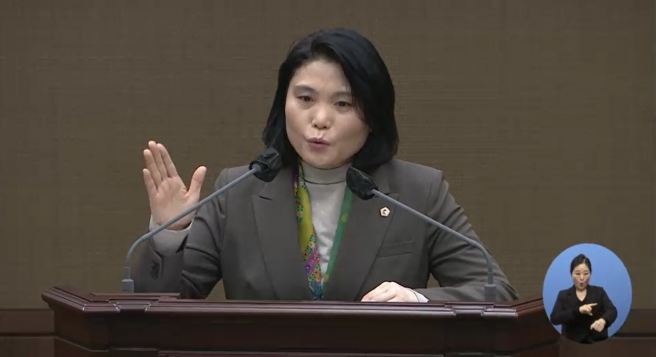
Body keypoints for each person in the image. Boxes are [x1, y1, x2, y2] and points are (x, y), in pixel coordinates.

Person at [131, 28, 518, 303]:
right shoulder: (239, 190)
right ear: (283, 104)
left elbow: (495, 292)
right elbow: (159, 310)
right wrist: (169, 235)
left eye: (343, 104)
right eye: (305, 99)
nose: (319, 119)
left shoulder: (419, 192)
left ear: (373, 115)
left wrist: (417, 301)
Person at [549, 254, 618, 343]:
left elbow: (612, 311)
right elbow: (554, 318)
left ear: (590, 274)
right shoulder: (563, 295)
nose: (582, 278)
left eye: (586, 273)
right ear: (571, 274)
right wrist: (578, 310)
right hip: (571, 344)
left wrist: (603, 321)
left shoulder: (599, 292)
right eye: (577, 273)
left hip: (597, 343)